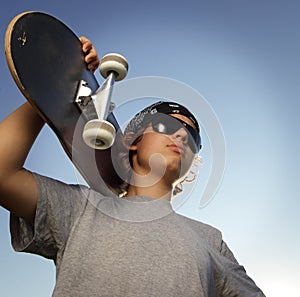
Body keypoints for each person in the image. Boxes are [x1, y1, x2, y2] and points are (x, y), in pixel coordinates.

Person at [0, 37, 265, 297]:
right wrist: (56, 88)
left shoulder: (210, 239)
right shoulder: (80, 208)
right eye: (167, 126)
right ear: (132, 142)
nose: (182, 136)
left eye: (192, 137)